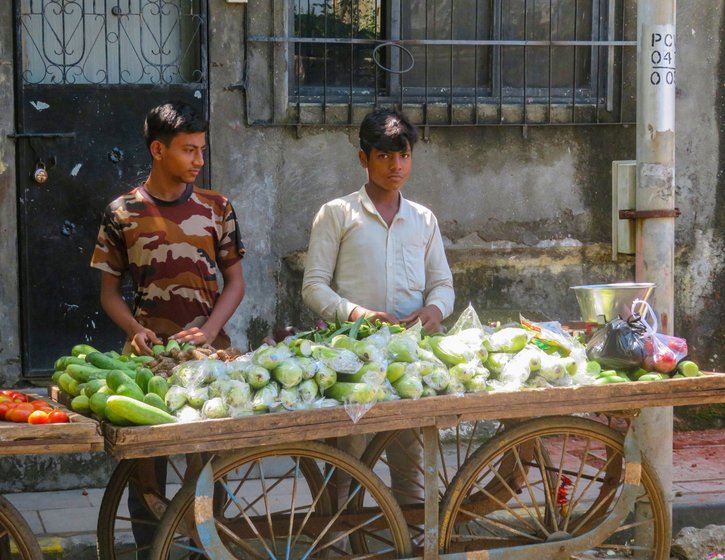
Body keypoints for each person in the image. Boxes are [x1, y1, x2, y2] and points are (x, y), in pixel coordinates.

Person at [90, 101, 246, 557]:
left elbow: (235, 282)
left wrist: (210, 330)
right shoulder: (122, 213)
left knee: (208, 459)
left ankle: (206, 545)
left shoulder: (217, 207)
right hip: (147, 360)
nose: (199, 160)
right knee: (147, 466)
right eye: (188, 150)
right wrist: (134, 328)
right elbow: (108, 293)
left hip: (209, 358)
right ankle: (148, 549)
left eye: (202, 149)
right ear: (158, 149)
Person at [302, 106, 455, 505]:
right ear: (363, 158)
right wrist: (357, 315)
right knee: (347, 460)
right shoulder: (337, 214)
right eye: (385, 155)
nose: (396, 165)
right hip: (351, 357)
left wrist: (432, 311)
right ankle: (338, 541)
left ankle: (412, 537)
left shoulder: (423, 219)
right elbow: (313, 287)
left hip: (409, 358)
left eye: (403, 155)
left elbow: (443, 285)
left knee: (410, 459)